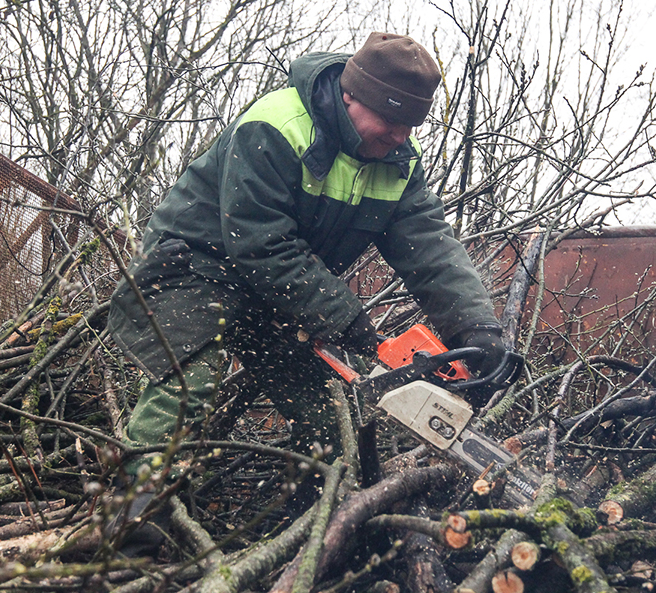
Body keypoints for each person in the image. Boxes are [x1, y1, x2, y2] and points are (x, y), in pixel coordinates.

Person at [107, 32, 506, 480]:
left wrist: (476, 326)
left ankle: (311, 525)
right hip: (195, 270)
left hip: (280, 294)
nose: (400, 136)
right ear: (351, 95)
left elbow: (429, 246)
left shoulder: (396, 162)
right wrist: (347, 321)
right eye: (390, 120)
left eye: (411, 126)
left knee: (332, 412)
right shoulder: (276, 126)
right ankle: (131, 517)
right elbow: (258, 241)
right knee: (188, 386)